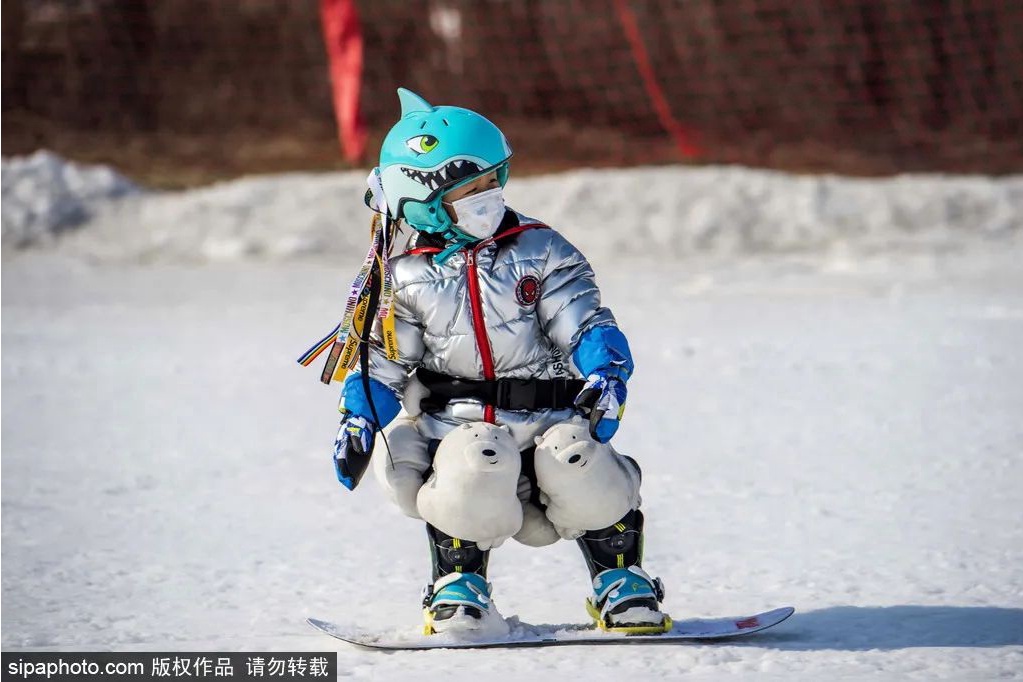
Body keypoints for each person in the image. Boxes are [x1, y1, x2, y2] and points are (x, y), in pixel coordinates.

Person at [330, 88, 668, 635]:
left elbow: (582, 317)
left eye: (494, 180)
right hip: (462, 427)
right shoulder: (403, 278)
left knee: (579, 461)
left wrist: (606, 372)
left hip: (551, 420)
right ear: (424, 199)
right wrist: (359, 415)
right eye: (473, 187)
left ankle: (621, 579)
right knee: (472, 462)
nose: (491, 195)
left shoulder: (539, 248)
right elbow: (382, 361)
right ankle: (458, 588)